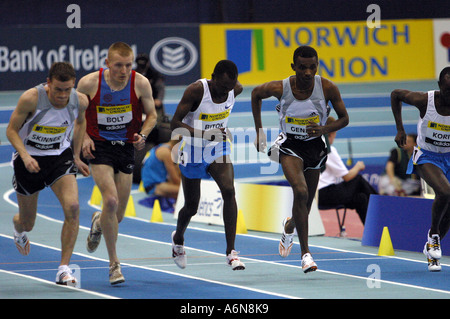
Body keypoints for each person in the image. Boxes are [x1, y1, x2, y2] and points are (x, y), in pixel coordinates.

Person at [251, 46, 349, 273]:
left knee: (305, 204)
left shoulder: (327, 88)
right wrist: (259, 131)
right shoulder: (280, 87)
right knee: (301, 191)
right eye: (302, 67)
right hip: (289, 145)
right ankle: (306, 254)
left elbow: (344, 119)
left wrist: (324, 128)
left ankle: (290, 225)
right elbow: (256, 94)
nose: (307, 72)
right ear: (293, 67)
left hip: (315, 147)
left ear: (317, 66)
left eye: (312, 67)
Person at [77, 42, 157, 284]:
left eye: (128, 65)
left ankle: (98, 221)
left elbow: (152, 115)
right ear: (107, 64)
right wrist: (85, 138)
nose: (124, 70)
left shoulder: (140, 83)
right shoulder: (89, 83)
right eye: (118, 65)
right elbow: (75, 116)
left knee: (117, 215)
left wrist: (142, 135)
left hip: (126, 147)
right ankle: (114, 265)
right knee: (109, 200)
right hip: (99, 147)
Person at [6, 62, 90, 286]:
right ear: (48, 83)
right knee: (28, 222)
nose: (63, 95)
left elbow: (81, 122)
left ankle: (63, 269)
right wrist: (25, 156)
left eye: (68, 89)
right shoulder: (31, 98)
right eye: (58, 90)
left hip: (58, 158)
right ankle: (18, 227)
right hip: (29, 160)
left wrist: (76, 156)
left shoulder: (79, 100)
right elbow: (11, 130)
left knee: (73, 207)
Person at [170, 60, 245, 270]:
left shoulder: (235, 89)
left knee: (229, 190)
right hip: (193, 151)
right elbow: (175, 124)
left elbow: (224, 106)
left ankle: (231, 252)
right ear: (212, 77)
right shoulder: (196, 91)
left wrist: (216, 133)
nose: (224, 93)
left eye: (229, 89)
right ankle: (178, 239)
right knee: (192, 206)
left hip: (217, 148)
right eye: (221, 88)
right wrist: (205, 133)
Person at [391, 66, 450, 272]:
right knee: (444, 192)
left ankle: (431, 247)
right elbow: (396, 95)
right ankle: (433, 234)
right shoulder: (426, 100)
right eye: (447, 91)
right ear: (439, 87)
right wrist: (400, 128)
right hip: (427, 156)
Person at [318, 116, 378, 225]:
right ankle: (380, 204)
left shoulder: (316, 146)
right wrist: (358, 166)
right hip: (325, 194)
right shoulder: (328, 149)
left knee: (361, 198)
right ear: (331, 133)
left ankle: (372, 231)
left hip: (317, 195)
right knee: (358, 179)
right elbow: (347, 177)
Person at [133, 53, 171, 183]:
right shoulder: (132, 75)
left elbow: (161, 90)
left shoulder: (156, 76)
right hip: (137, 108)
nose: (142, 67)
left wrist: (158, 100)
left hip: (153, 108)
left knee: (160, 125)